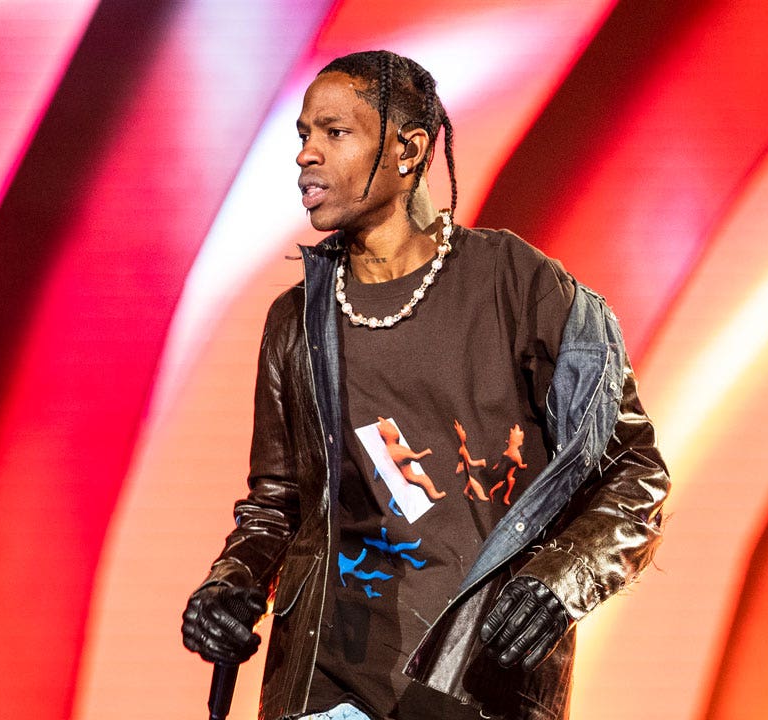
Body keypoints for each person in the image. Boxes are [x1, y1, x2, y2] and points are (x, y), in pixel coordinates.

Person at [181, 50, 668, 720]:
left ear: (407, 149)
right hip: (327, 688)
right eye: (303, 135)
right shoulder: (296, 321)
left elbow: (634, 473)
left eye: (335, 132)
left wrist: (563, 580)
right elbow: (278, 506)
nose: (306, 155)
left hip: (471, 684)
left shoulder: (519, 285)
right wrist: (229, 585)